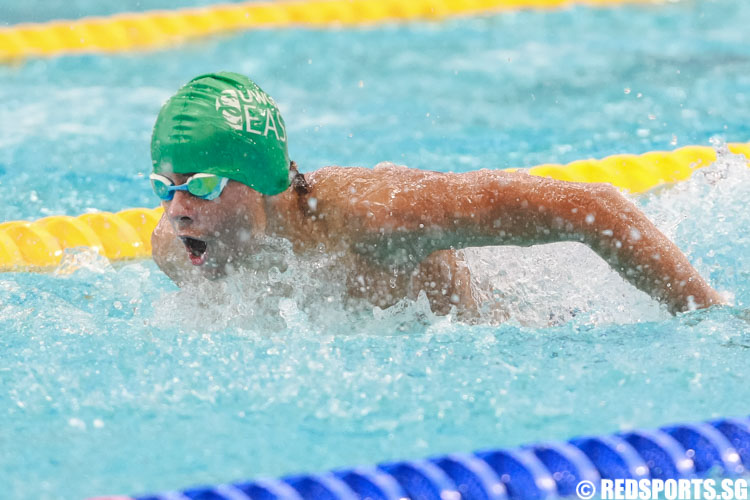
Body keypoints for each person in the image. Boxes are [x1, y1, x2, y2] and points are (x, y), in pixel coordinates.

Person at [150, 72, 723, 319]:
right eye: (167, 188)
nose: (178, 210)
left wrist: (712, 318)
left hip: (509, 330)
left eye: (201, 186)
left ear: (264, 181)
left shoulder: (378, 218)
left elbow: (596, 208)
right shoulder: (177, 253)